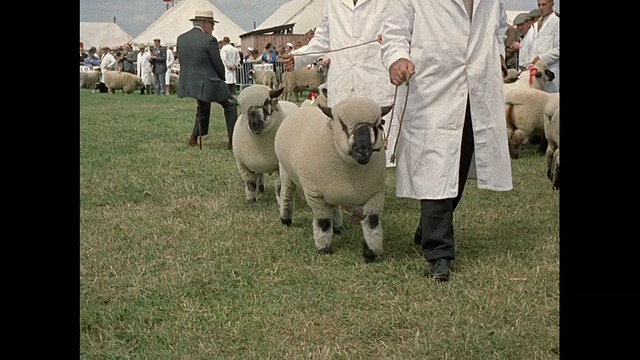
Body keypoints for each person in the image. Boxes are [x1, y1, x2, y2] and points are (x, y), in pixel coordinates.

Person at [380, 0, 513, 281]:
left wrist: (498, 56)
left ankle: (428, 226)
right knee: (435, 166)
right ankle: (439, 254)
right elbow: (394, 32)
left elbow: (498, 26)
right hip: (432, 87)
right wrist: (396, 60)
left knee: (458, 167)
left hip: (476, 87)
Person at [282, 0, 399, 169]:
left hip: (375, 76)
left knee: (377, 149)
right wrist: (298, 57)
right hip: (343, 80)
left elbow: (399, 31)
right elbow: (322, 39)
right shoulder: (331, 2)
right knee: (343, 149)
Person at [176, 9, 238, 150]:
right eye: (212, 25)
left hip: (188, 82)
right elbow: (217, 63)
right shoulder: (209, 40)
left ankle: (194, 137)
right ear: (205, 24)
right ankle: (233, 140)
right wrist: (222, 79)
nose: (213, 28)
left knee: (203, 106)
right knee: (231, 104)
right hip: (208, 82)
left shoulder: (181, 38)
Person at [527, 0, 559, 92]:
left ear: (552, 4)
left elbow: (558, 49)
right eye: (539, 5)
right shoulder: (536, 25)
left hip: (550, 70)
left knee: (550, 103)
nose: (541, 8)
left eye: (544, 4)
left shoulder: (557, 23)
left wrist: (541, 58)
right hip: (535, 71)